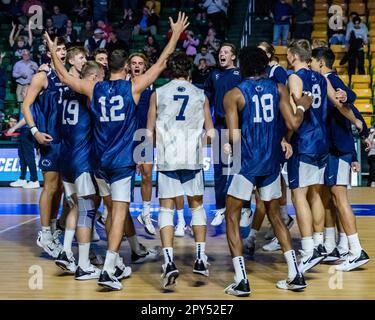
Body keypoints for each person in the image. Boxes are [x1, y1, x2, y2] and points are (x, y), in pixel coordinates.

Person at [46, 12, 189, 291]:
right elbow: (160, 64)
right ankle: (109, 269)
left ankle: (98, 262)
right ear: (125, 68)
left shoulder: (93, 89)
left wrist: (53, 51)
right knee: (119, 213)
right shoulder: (132, 87)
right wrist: (174, 35)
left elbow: (63, 76)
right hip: (123, 162)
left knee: (100, 209)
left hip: (98, 161)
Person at [223, 46, 311, 297]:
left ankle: (241, 280)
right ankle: (295, 274)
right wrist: (303, 106)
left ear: (242, 65)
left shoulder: (234, 95)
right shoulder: (279, 88)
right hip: (271, 163)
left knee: (232, 215)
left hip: (247, 163)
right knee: (276, 216)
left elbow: (233, 136)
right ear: (264, 65)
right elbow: (293, 123)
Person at [286, 39, 363, 274]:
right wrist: (357, 121)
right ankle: (320, 244)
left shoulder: (294, 77)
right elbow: (339, 104)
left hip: (305, 141)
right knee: (318, 195)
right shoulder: (321, 78)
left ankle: (310, 250)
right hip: (322, 144)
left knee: (299, 195)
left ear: (291, 56)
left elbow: (296, 110)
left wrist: (285, 137)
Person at [147, 52, 214, 289]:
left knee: (165, 208)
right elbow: (211, 132)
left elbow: (149, 132)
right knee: (196, 206)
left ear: (169, 72)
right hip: (192, 158)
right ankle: (200, 257)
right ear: (190, 72)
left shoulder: (158, 93)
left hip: (168, 158)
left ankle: (168, 261)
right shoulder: (200, 95)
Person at [310, 47, 370, 271]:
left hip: (337, 149)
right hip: (336, 148)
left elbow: (349, 101)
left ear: (320, 63)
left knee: (339, 197)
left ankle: (356, 250)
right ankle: (343, 246)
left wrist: (360, 126)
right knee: (333, 198)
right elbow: (349, 109)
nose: (310, 65)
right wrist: (360, 129)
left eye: (313, 61)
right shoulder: (326, 80)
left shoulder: (329, 78)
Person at [244, 41, 293, 255]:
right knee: (266, 192)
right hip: (263, 139)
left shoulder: (277, 72)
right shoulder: (262, 75)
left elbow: (287, 101)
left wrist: (284, 136)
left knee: (267, 194)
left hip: (272, 137)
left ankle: (279, 222)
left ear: (269, 54)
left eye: (261, 51)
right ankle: (279, 221)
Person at [22, 36, 68, 259]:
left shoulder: (69, 75)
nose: (62, 52)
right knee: (50, 187)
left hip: (67, 140)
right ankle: (45, 233)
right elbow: (26, 105)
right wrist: (35, 131)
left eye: (64, 49)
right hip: (49, 138)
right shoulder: (42, 76)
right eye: (57, 49)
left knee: (60, 188)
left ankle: (53, 230)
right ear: (49, 53)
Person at [204, 43, 252, 227]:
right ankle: (220, 208)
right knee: (219, 171)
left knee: (240, 169)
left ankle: (246, 208)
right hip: (220, 126)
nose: (221, 54)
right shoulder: (214, 75)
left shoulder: (240, 74)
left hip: (239, 126)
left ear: (233, 57)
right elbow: (205, 100)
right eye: (220, 52)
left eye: (226, 52)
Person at [126, 52, 155, 236]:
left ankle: (145, 213)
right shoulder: (124, 87)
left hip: (144, 135)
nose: (137, 66)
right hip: (126, 137)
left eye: (140, 63)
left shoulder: (150, 91)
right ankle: (117, 216)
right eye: (134, 63)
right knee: (126, 179)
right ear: (129, 66)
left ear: (145, 67)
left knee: (146, 174)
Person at [8, 114, 39, 189]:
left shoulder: (29, 104)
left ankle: (34, 180)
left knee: (29, 157)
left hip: (28, 130)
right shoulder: (24, 104)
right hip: (23, 131)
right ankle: (22, 179)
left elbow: (26, 118)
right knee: (22, 157)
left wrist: (13, 128)